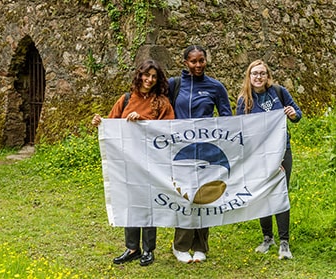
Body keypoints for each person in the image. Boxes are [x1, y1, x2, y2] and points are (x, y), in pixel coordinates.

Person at [92, 59, 174, 266]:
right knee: (129, 203)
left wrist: (145, 123)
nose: (150, 80)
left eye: (154, 76)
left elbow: (169, 129)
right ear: (140, 75)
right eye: (147, 75)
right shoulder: (126, 99)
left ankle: (148, 249)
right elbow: (112, 124)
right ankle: (132, 248)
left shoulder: (162, 102)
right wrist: (99, 123)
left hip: (151, 163)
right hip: (126, 162)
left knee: (147, 205)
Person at [168, 45, 232, 263]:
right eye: (193, 61)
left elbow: (227, 117)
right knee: (185, 197)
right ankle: (181, 246)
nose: (198, 65)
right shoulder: (174, 85)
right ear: (185, 62)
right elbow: (157, 108)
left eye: (201, 60)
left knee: (205, 197)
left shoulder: (215, 87)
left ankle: (201, 246)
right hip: (181, 152)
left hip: (208, 152)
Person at [236, 59, 302, 260]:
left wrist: (292, 114)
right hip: (258, 156)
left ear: (268, 76)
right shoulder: (244, 100)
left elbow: (297, 114)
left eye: (262, 73)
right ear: (249, 76)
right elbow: (239, 130)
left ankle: (284, 242)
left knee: (280, 194)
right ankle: (267, 238)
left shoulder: (279, 92)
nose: (258, 77)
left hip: (282, 151)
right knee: (262, 195)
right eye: (254, 73)